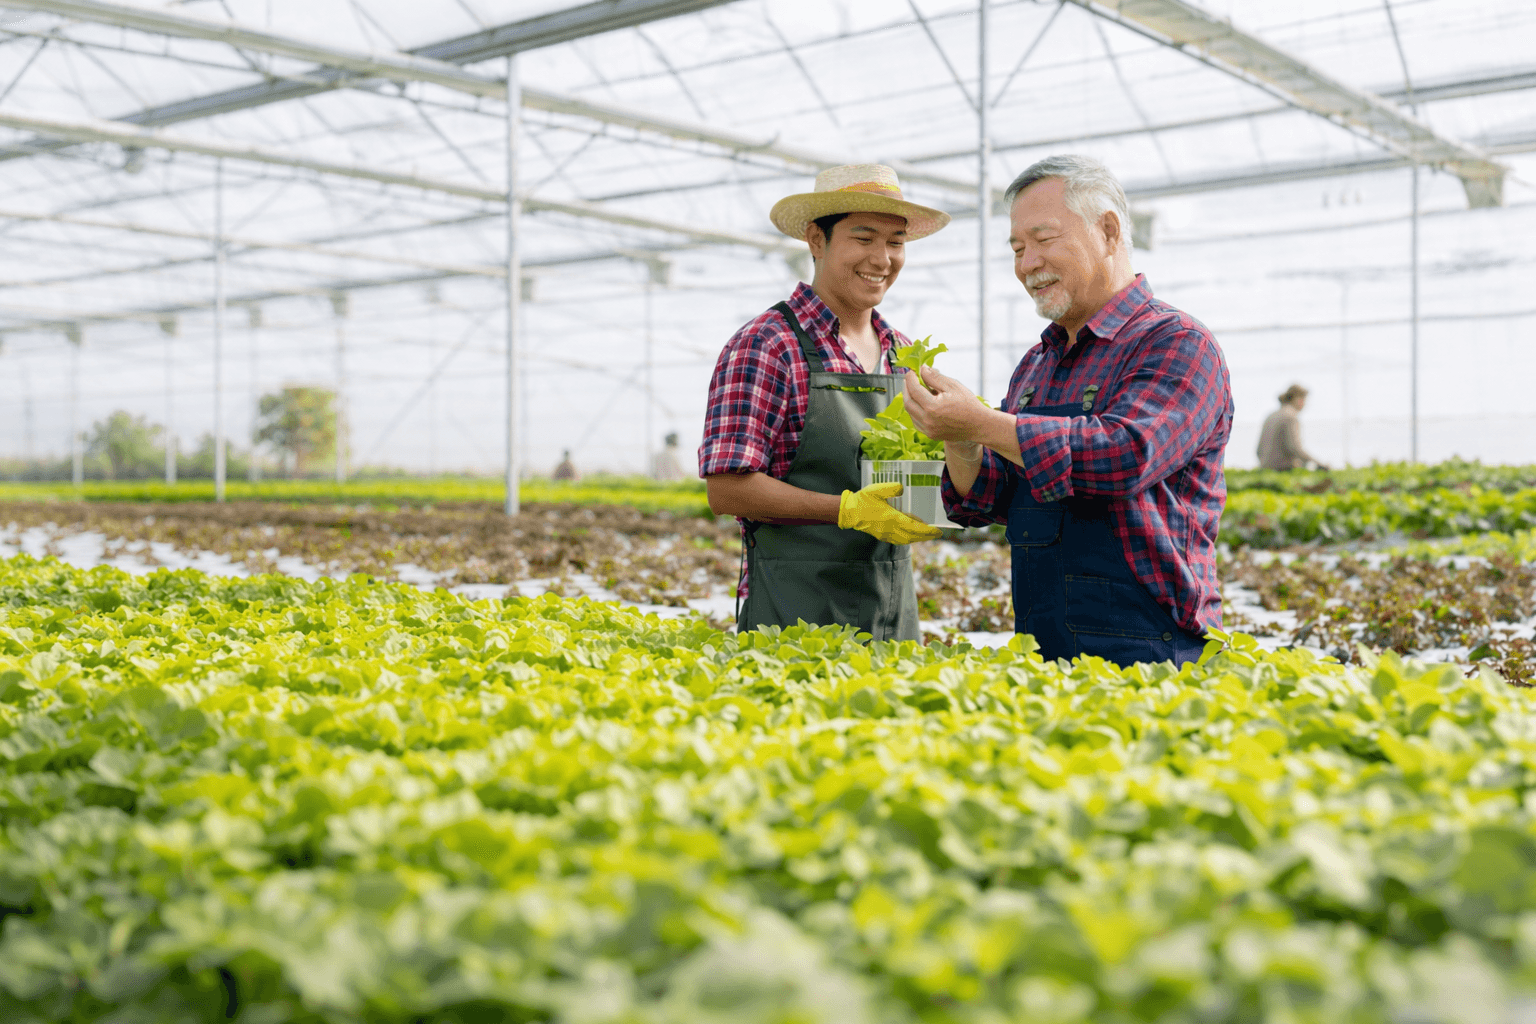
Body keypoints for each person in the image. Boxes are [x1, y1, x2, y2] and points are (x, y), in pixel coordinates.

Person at [904, 154, 1233, 666]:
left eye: (1043, 238)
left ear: (1106, 231)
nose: (1026, 262)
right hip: (1043, 644)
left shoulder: (1176, 344)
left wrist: (984, 422)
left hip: (1153, 648)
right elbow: (992, 496)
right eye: (1017, 248)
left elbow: (1126, 455)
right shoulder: (1037, 363)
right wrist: (962, 439)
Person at [699, 164, 950, 641]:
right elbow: (727, 489)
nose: (882, 258)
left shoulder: (905, 353)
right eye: (864, 237)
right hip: (794, 616)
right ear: (817, 239)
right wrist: (847, 509)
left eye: (895, 243)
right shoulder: (767, 345)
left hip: (892, 612)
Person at [1257, 384, 1328, 470]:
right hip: (1281, 469)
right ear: (1298, 399)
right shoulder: (1290, 417)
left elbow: (1258, 450)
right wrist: (1320, 465)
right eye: (1304, 400)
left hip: (1264, 468)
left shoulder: (1271, 415)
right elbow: (1295, 448)